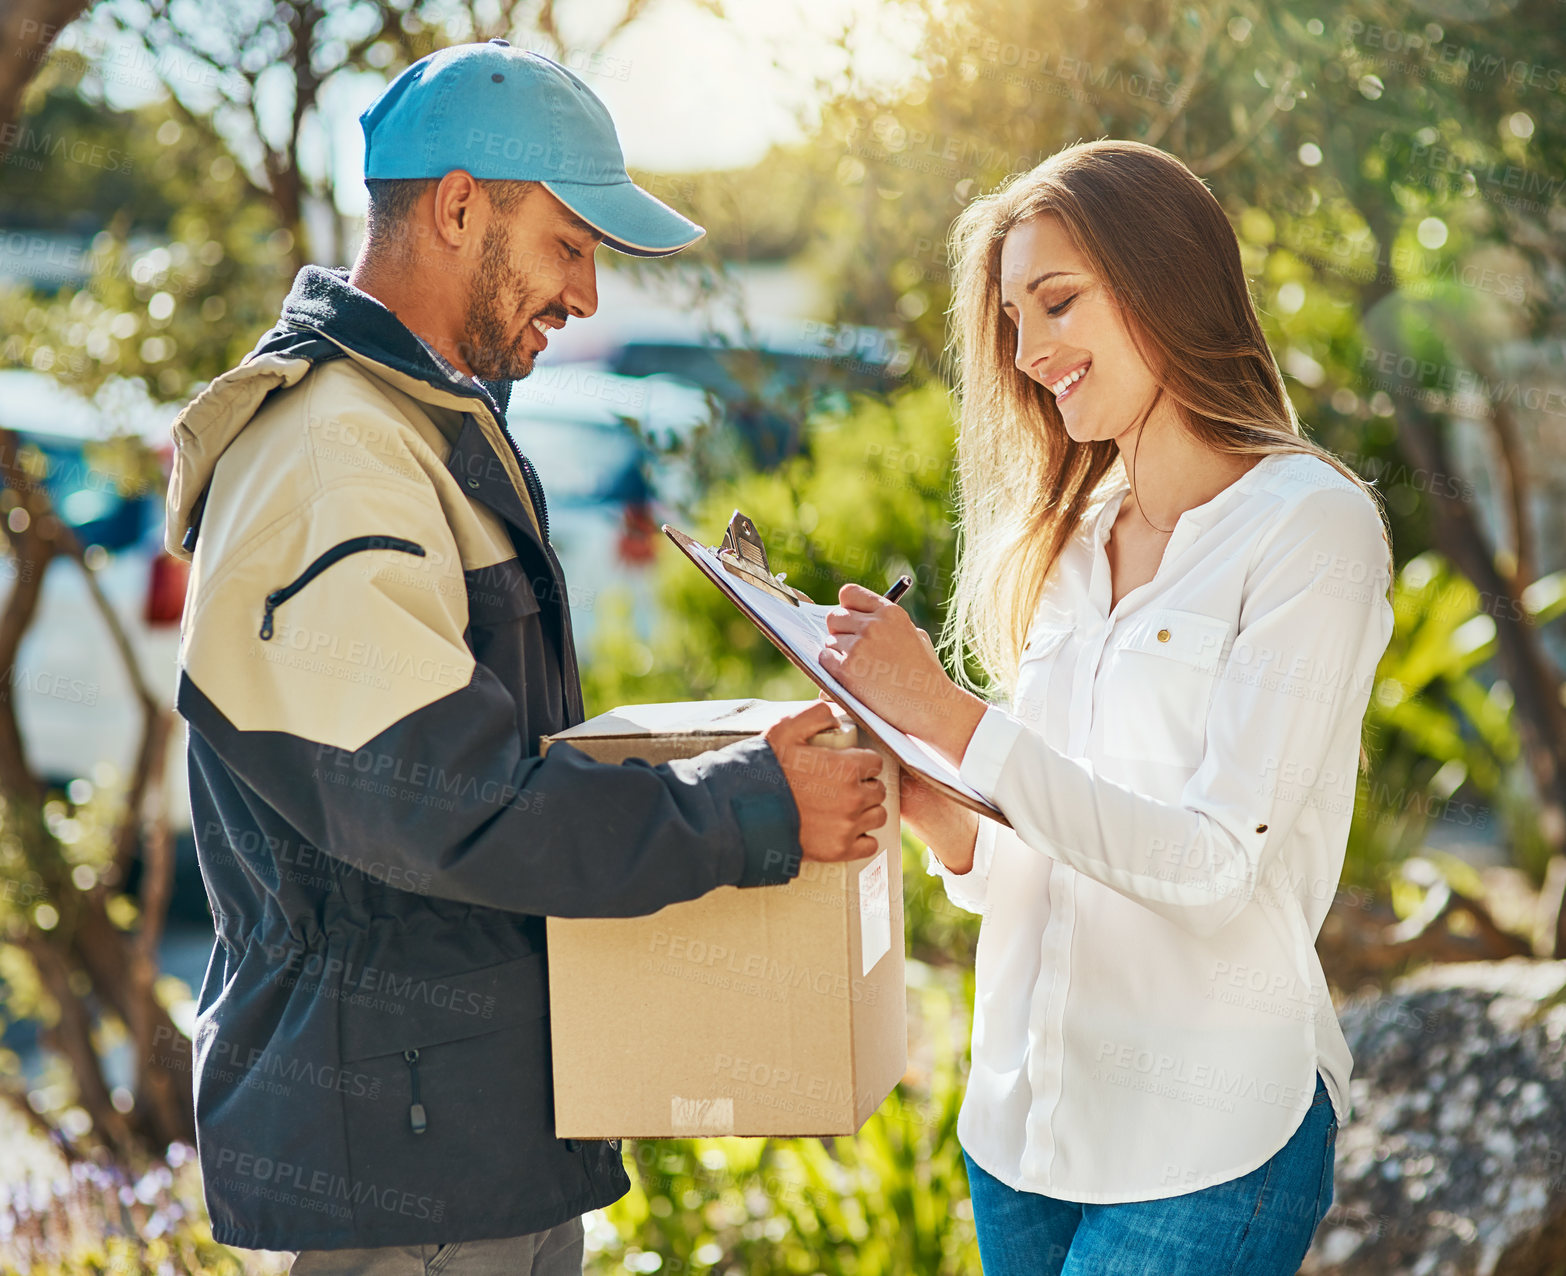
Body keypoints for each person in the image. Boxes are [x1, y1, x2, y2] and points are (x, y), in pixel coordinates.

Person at [165, 41, 886, 1275]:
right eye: (571, 245)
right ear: (457, 207)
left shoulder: (418, 430)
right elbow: (452, 805)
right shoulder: (335, 456)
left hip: (467, 1142)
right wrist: (752, 808)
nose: (588, 297)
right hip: (397, 1175)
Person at [819, 140, 1394, 1275]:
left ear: (1164, 280)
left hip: (1207, 1140)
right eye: (1012, 320)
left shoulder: (1311, 530)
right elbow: (1037, 855)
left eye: (1057, 302)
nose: (1029, 354)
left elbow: (1212, 864)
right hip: (1020, 1128)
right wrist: (937, 799)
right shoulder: (1073, 544)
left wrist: (952, 712)